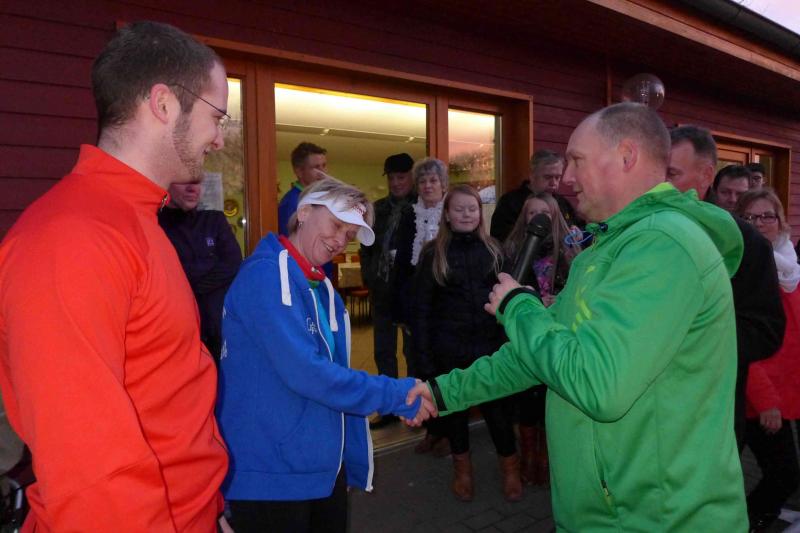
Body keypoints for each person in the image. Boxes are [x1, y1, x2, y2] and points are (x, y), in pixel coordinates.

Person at [408, 103, 748, 531]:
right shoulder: (605, 251)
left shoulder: (663, 246)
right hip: (604, 512)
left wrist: (519, 307)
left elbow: (599, 385)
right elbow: (533, 354)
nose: (567, 177)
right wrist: (440, 393)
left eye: (577, 160)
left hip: (658, 518)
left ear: (626, 156)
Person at [0, 21, 230, 531]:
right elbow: (89, 471)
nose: (219, 138)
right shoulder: (73, 236)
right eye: (216, 116)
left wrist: (212, 513)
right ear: (164, 103)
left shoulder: (136, 219)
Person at [217, 177, 430, 533]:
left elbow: (333, 377)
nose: (340, 241)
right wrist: (396, 394)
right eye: (336, 225)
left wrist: (342, 462)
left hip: (317, 471)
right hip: (271, 476)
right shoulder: (266, 276)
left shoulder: (320, 287)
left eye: (350, 235)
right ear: (303, 212)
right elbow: (309, 374)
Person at [668, 125, 785, 447]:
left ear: (706, 176)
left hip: (709, 415)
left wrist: (688, 339)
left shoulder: (747, 243)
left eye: (672, 174)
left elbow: (766, 331)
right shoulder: (643, 233)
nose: (660, 185)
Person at [411, 185, 520, 502]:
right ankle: (462, 470)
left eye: (472, 208)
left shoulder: (495, 250)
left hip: (490, 351)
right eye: (459, 209)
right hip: (449, 351)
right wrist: (424, 361)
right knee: (455, 416)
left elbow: (510, 299)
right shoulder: (433, 254)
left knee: (498, 414)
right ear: (447, 214)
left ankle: (510, 469)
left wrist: (510, 344)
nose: (466, 214)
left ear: (480, 213)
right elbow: (421, 310)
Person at [503, 192, 582, 486]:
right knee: (526, 401)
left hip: (558, 333)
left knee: (551, 399)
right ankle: (527, 456)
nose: (539, 218)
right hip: (526, 333)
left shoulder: (570, 249)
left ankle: (547, 459)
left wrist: (559, 300)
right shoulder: (513, 251)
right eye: (532, 212)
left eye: (545, 213)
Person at [734, 188, 800, 531]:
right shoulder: (742, 269)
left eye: (767, 216)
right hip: (756, 395)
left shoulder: (790, 265)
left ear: (780, 220)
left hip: (787, 386)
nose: (759, 223)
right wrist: (765, 401)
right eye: (749, 217)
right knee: (784, 473)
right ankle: (748, 522)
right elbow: (743, 339)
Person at [392, 157, 450, 456]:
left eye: (433, 180)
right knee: (419, 364)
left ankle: (449, 432)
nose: (428, 186)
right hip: (416, 299)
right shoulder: (409, 215)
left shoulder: (451, 213)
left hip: (444, 299)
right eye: (423, 181)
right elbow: (402, 262)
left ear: (443, 184)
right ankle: (431, 428)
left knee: (445, 367)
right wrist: (400, 308)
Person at [360, 153, 416, 429]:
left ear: (411, 177)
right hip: (381, 288)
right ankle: (389, 408)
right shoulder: (377, 209)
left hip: (409, 291)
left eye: (401, 177)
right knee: (383, 350)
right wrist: (370, 277)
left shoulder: (421, 208)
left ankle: (415, 404)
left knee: (412, 351)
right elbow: (365, 246)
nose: (395, 183)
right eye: (391, 178)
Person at [159, 181, 243, 362]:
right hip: (175, 331)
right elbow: (163, 274)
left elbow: (233, 263)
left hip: (218, 332)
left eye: (197, 183)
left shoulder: (214, 220)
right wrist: (209, 266)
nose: (193, 188)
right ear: (168, 183)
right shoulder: (156, 223)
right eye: (185, 182)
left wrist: (189, 284)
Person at [490, 150, 581, 242]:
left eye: (557, 177)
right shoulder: (510, 203)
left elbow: (580, 228)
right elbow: (500, 238)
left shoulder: (563, 203)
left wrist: (577, 234)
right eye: (547, 177)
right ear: (532, 175)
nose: (553, 183)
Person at [278, 142, 328, 236]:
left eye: (324, 166)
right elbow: (291, 241)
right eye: (316, 167)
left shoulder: (317, 198)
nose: (323, 172)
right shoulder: (292, 203)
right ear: (299, 172)